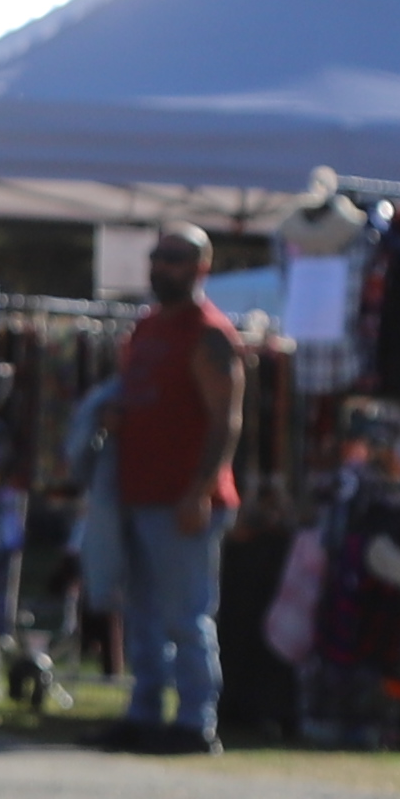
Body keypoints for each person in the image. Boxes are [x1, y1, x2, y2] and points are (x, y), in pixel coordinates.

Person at [106, 224, 249, 752]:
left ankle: (195, 721)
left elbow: (225, 420)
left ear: (201, 269)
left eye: (175, 259)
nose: (162, 267)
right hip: (138, 490)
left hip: (185, 498)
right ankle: (144, 712)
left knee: (186, 615)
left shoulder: (208, 332)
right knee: (140, 614)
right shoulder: (146, 328)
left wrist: (200, 490)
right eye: (158, 257)